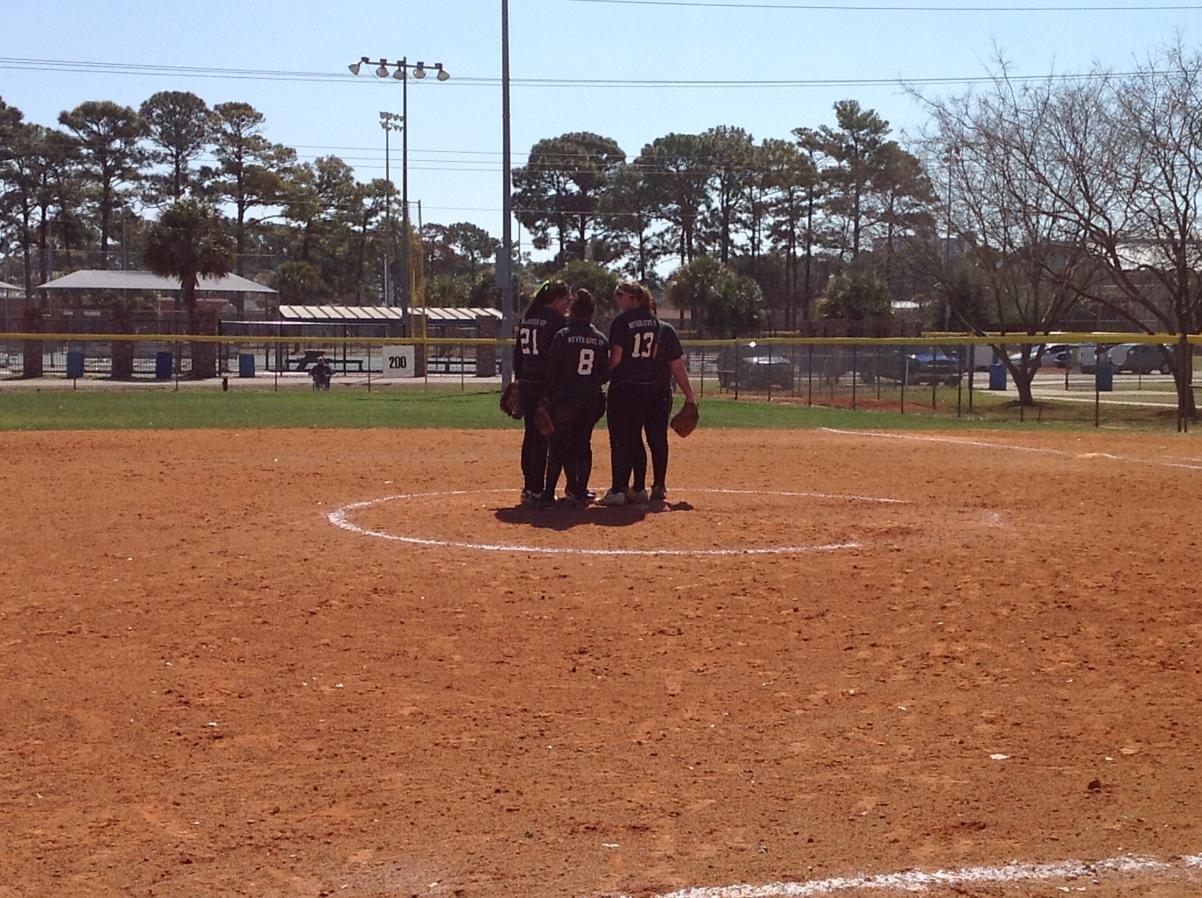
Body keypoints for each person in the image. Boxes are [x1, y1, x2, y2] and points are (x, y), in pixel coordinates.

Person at [601, 281, 682, 506]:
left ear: (635, 299)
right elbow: (671, 362)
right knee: (654, 439)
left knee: (624, 438)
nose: (617, 299)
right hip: (655, 390)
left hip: (626, 388)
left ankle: (619, 489)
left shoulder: (622, 322)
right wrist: (690, 397)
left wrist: (601, 376)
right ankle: (646, 488)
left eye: (621, 295)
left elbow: (616, 358)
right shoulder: (660, 326)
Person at [540, 288, 610, 506]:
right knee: (582, 443)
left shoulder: (563, 336)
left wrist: (547, 397)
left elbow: (552, 370)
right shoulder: (600, 339)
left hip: (565, 399)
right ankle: (579, 490)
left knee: (558, 445)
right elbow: (604, 373)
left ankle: (548, 493)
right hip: (590, 399)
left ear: (572, 311)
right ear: (591, 313)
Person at [513, 280, 570, 505]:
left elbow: (518, 354)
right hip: (545, 385)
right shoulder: (557, 321)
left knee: (531, 435)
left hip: (527, 382)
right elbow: (557, 357)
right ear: (556, 299)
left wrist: (519, 380)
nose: (567, 305)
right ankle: (538, 489)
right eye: (566, 300)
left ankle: (529, 487)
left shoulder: (528, 318)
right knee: (544, 437)